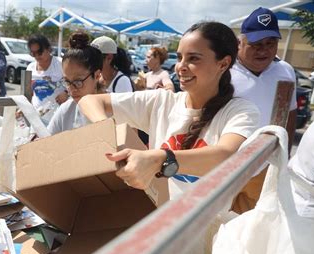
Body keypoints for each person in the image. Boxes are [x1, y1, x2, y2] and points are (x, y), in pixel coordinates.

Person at [78, 21, 260, 199]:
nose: (180, 66)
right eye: (180, 57)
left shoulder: (240, 111)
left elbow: (226, 156)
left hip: (210, 224)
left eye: (193, 58)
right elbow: (89, 101)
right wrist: (108, 129)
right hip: (160, 220)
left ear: (223, 64)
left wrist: (159, 159)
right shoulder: (161, 101)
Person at [230, 7, 297, 213]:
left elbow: (290, 114)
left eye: (271, 44)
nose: (264, 50)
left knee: (250, 228)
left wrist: (283, 159)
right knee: (211, 227)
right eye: (256, 44)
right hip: (225, 165)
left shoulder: (285, 71)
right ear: (240, 43)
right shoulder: (223, 70)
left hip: (263, 168)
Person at [47, 32, 103, 135]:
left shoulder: (116, 109)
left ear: (97, 75)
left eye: (78, 82)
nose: (71, 89)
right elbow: (46, 143)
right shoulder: (66, 111)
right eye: (67, 81)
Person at [26, 34, 68, 124]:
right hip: (37, 117)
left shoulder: (60, 63)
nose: (37, 56)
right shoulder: (30, 68)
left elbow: (75, 82)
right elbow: (28, 93)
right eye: (33, 53)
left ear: (48, 49)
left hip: (59, 118)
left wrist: (66, 93)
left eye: (39, 52)